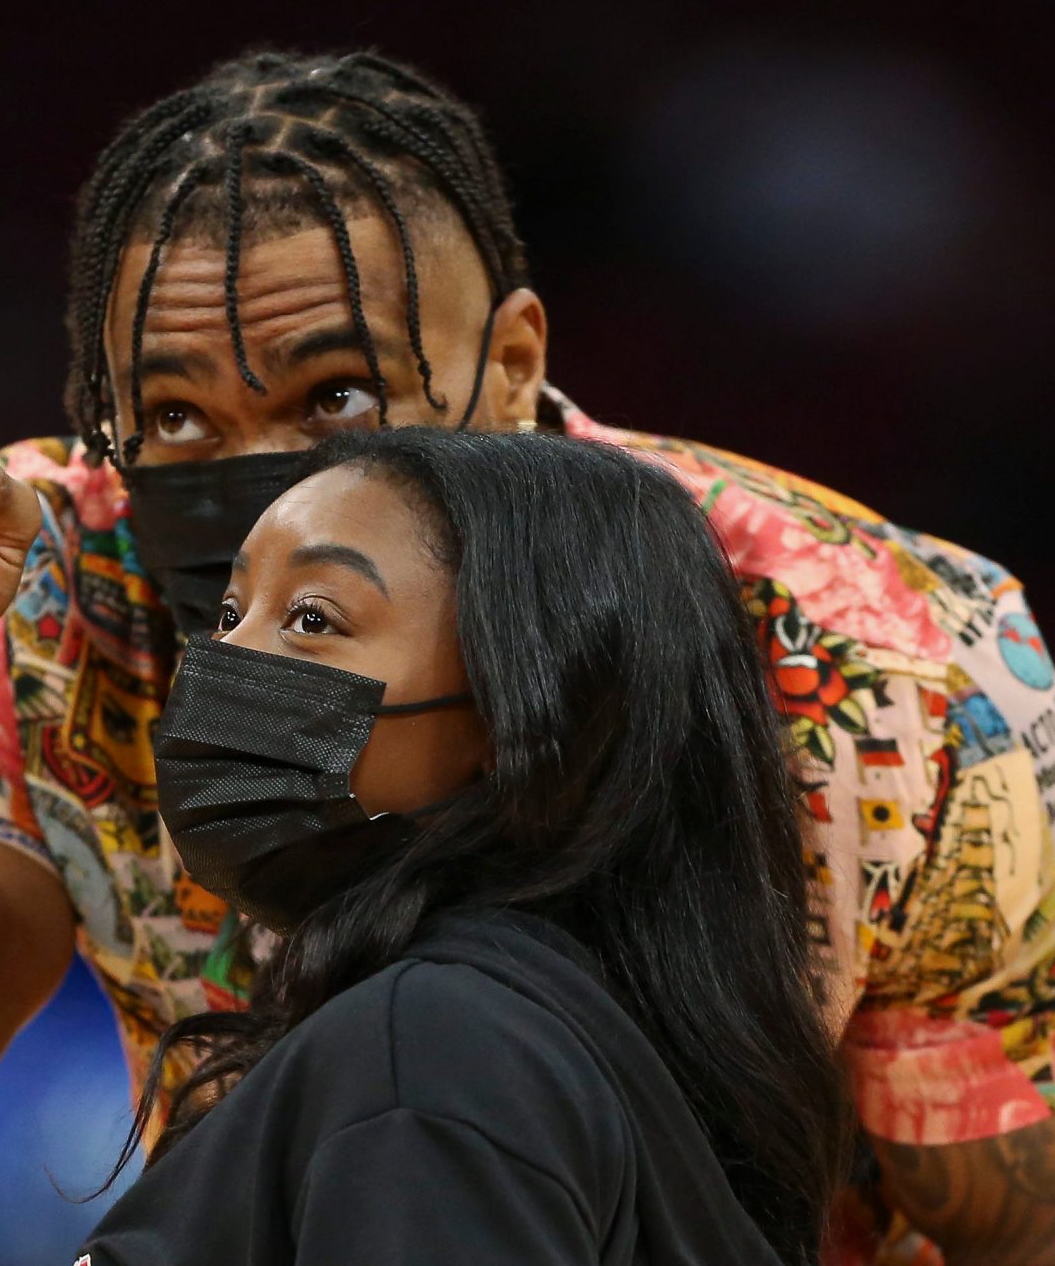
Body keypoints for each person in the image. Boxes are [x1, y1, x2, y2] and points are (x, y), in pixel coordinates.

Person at [0, 50, 1055, 1266]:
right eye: (180, 419)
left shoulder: (883, 672)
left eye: (340, 399)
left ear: (518, 363)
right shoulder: (43, 580)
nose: (268, 483)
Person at [74, 427, 852, 1266]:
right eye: (229, 613)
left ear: (516, 714)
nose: (223, 660)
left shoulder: (433, 1049)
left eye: (312, 617)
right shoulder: (545, 1037)